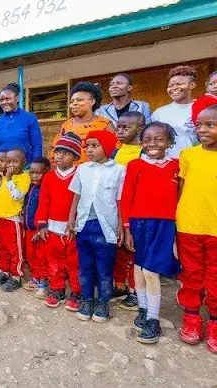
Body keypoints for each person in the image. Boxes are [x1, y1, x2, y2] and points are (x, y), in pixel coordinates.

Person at [122, 122, 180, 344]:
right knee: (139, 265)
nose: (153, 144)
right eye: (147, 140)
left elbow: (179, 195)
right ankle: (143, 309)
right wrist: (127, 228)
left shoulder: (176, 165)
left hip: (165, 224)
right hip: (139, 223)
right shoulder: (135, 165)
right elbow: (127, 197)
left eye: (159, 139)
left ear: (169, 142)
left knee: (150, 269)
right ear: (141, 142)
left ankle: (154, 318)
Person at [68, 130, 125, 323]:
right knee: (85, 266)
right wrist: (70, 219)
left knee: (104, 267)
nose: (89, 150)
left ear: (107, 147)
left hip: (106, 227)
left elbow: (119, 201)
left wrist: (121, 226)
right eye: (87, 146)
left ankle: (103, 301)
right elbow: (76, 195)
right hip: (83, 225)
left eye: (95, 145)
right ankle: (87, 300)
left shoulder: (119, 170)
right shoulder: (83, 169)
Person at [175, 105, 217, 353]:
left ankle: (214, 322)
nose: (202, 130)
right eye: (198, 125)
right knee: (190, 274)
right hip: (189, 225)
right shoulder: (188, 155)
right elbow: (180, 189)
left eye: (210, 125)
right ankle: (191, 318)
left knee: (215, 276)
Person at [36, 132, 82, 310]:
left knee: (74, 261)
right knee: (54, 260)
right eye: (57, 151)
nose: (60, 156)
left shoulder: (80, 174)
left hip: (73, 228)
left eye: (66, 152)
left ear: (76, 157)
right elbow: (44, 202)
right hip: (53, 227)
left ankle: (77, 292)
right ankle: (57, 289)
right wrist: (42, 223)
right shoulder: (49, 177)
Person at [110, 111, 147, 310]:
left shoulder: (143, 153)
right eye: (119, 127)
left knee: (133, 249)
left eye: (127, 127)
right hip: (115, 206)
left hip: (134, 208)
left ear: (139, 129)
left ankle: (135, 290)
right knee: (118, 249)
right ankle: (119, 285)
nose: (121, 131)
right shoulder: (116, 152)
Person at [0, 149, 30, 292]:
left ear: (23, 163)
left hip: (13, 219)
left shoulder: (24, 178)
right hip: (2, 218)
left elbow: (17, 196)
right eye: (8, 162)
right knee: (4, 248)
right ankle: (5, 271)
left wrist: (9, 178)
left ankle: (16, 276)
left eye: (15, 161)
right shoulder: (3, 176)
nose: (11, 165)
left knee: (15, 249)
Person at [50, 82, 115, 166]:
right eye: (72, 101)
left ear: (92, 102)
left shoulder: (105, 124)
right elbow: (54, 152)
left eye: (79, 100)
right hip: (68, 174)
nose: (74, 103)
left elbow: (115, 152)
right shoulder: (66, 126)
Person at [0, 83, 42, 164]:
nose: (4, 102)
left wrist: (36, 165)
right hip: (2, 168)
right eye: (1, 100)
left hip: (24, 167)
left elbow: (36, 145)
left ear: (17, 98)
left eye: (8, 99)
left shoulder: (29, 118)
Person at [151, 65, 198, 158]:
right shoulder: (159, 114)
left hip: (197, 161)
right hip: (169, 164)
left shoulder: (202, 108)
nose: (174, 88)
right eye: (170, 86)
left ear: (192, 85)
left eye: (179, 84)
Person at [23, 156, 51, 298]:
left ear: (47, 171)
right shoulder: (30, 187)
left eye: (38, 173)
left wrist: (40, 229)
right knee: (31, 255)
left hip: (39, 230)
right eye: (32, 172)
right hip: (28, 228)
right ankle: (35, 277)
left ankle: (43, 283)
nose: (34, 175)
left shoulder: (46, 190)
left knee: (41, 257)